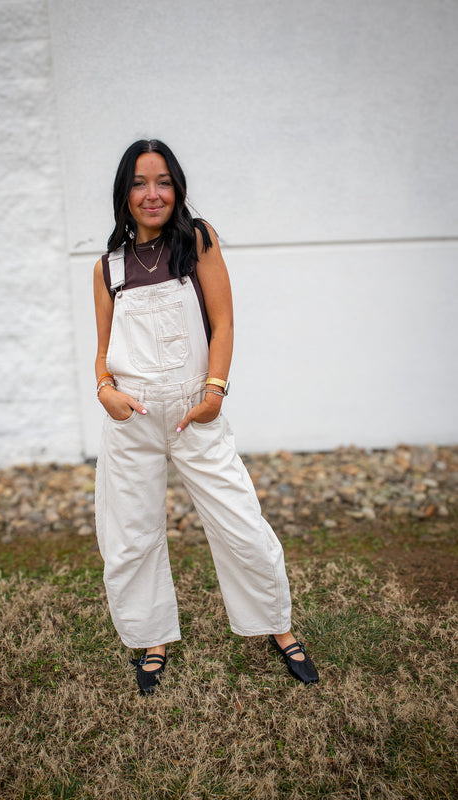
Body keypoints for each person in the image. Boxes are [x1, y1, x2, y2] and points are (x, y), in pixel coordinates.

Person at [93, 139, 318, 694]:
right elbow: (102, 351)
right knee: (130, 534)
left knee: (240, 521)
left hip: (195, 412)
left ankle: (278, 627)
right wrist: (104, 390)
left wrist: (215, 391)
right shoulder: (108, 267)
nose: (152, 194)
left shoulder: (197, 240)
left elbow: (224, 323)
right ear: (124, 194)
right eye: (140, 183)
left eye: (163, 181)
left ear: (177, 188)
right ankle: (152, 639)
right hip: (131, 420)